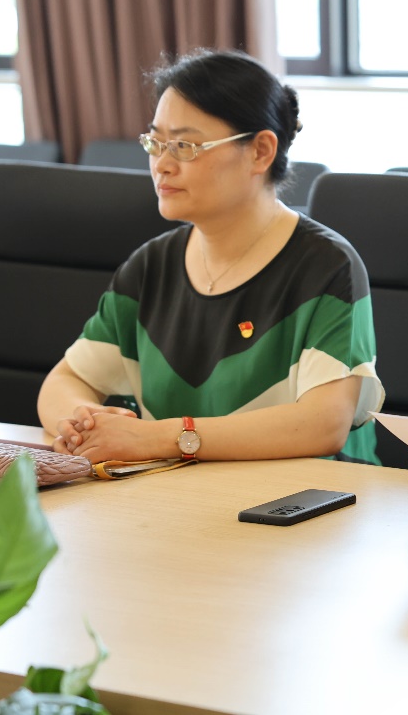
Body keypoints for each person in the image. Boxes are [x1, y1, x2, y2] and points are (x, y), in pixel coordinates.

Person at [38, 49, 384, 465]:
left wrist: (159, 438)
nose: (162, 165)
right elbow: (65, 380)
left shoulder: (326, 267)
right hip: (176, 494)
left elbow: (322, 424)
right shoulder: (151, 266)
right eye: (155, 143)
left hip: (314, 496)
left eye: (184, 146)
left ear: (260, 151)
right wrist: (83, 423)